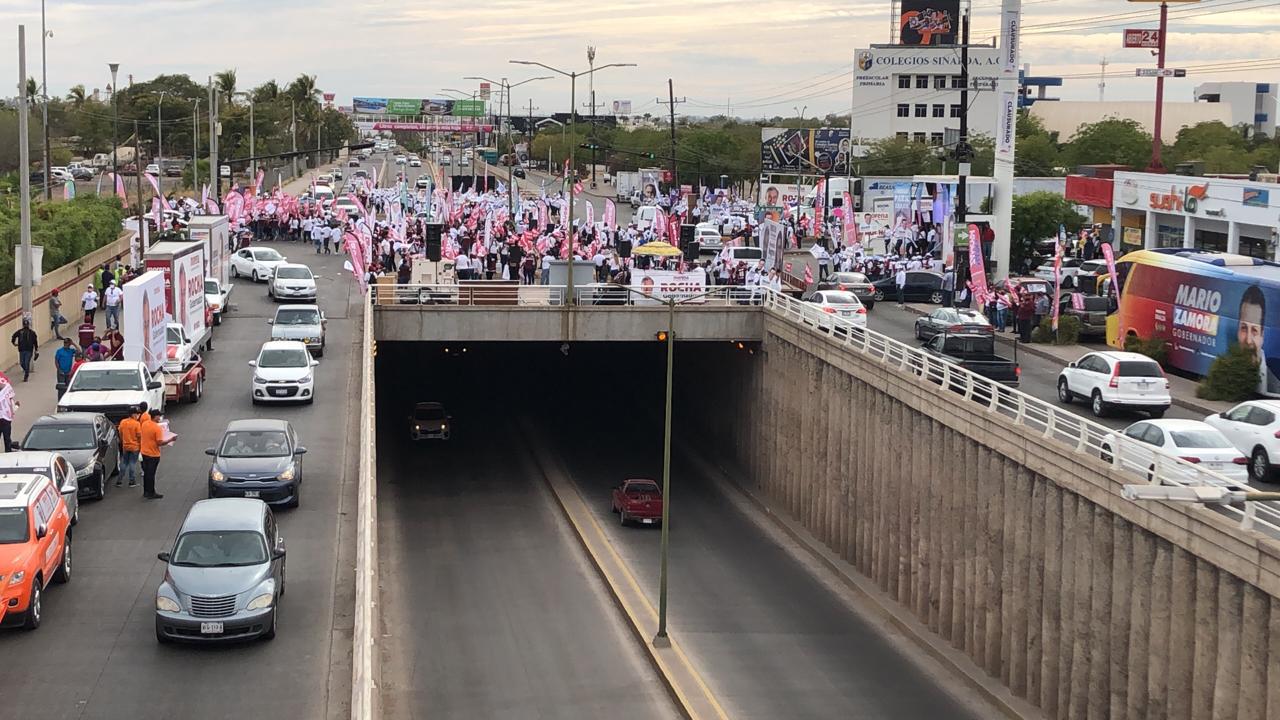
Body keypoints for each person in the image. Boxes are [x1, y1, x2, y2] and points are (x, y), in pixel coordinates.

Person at [139, 408, 167, 499]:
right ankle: (151, 492)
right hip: (153, 454)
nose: (160, 418)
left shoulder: (144, 424)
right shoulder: (157, 428)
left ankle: (146, 491)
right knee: (151, 474)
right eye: (159, 416)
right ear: (155, 417)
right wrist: (170, 440)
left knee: (146, 473)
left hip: (144, 452)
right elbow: (159, 442)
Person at [117, 405, 143, 488]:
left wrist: (123, 441)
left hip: (125, 446)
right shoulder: (136, 424)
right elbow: (139, 436)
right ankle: (132, 481)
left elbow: (120, 433)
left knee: (124, 463)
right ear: (133, 414)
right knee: (132, 463)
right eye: (137, 414)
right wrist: (141, 446)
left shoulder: (123, 422)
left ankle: (119, 481)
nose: (138, 415)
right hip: (135, 447)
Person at [0, 375, 17, 452]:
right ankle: (8, 450)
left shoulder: (6, 391)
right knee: (7, 437)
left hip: (5, 418)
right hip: (5, 418)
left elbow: (11, 406)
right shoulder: (6, 389)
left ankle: (8, 451)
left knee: (7, 438)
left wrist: (15, 406)